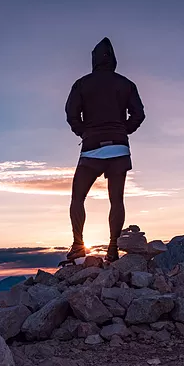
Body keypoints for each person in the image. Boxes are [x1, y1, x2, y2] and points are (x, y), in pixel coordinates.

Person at [65, 37, 145, 263]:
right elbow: (138, 114)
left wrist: (84, 132)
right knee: (116, 200)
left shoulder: (81, 84)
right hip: (119, 148)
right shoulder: (127, 84)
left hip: (91, 148)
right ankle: (112, 248)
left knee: (78, 198)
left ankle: (78, 246)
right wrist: (123, 130)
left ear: (93, 60)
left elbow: (71, 114)